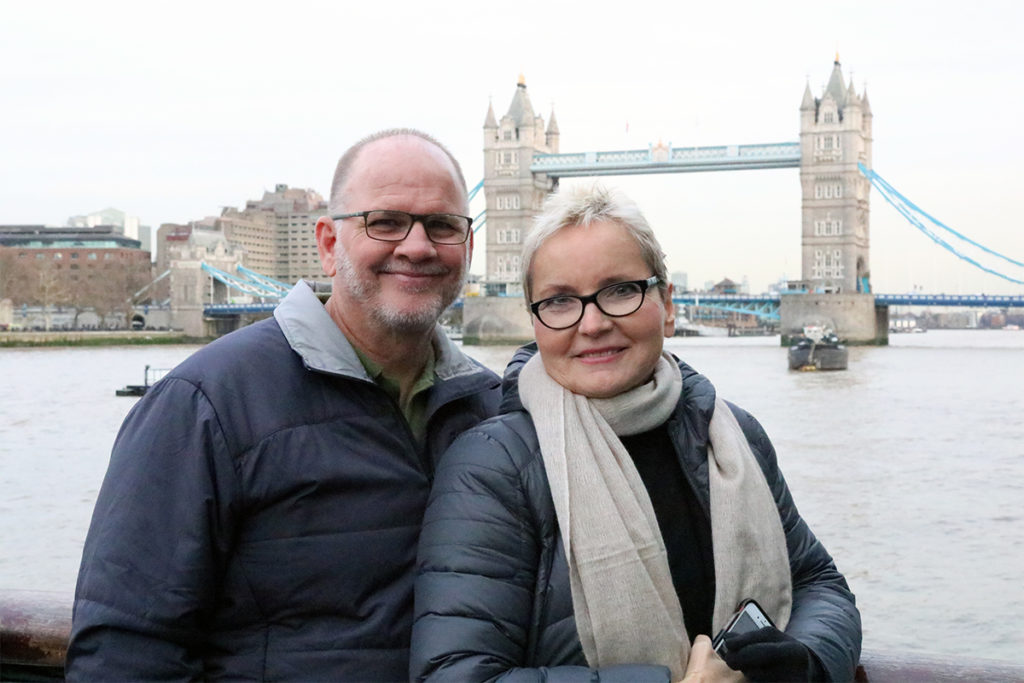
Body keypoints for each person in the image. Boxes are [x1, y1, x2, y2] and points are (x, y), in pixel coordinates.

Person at [66, 129, 501, 681]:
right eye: (385, 222)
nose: (416, 246)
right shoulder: (205, 403)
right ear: (327, 244)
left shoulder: (495, 410)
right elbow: (126, 650)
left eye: (442, 225)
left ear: (467, 245)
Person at [411, 184, 861, 682]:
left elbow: (819, 584)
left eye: (621, 290)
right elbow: (453, 675)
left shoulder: (736, 435)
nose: (594, 322)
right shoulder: (494, 466)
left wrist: (805, 663)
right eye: (560, 301)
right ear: (535, 321)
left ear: (667, 305)